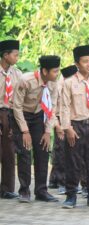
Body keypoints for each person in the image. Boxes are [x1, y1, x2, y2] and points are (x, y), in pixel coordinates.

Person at [11, 55, 60, 203]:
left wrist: (47, 131)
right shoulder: (26, 80)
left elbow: (52, 108)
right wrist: (25, 131)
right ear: (44, 71)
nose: (57, 74)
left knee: (43, 151)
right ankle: (24, 191)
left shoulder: (53, 83)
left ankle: (41, 191)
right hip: (22, 116)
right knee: (25, 153)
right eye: (55, 71)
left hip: (39, 116)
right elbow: (17, 107)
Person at [61, 45, 89, 208]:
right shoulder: (69, 83)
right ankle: (71, 195)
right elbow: (64, 106)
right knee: (73, 161)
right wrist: (67, 127)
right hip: (75, 126)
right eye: (85, 61)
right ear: (77, 63)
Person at [49, 65, 78, 195]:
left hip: (71, 120)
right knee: (61, 152)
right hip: (60, 120)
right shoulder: (59, 87)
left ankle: (54, 180)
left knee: (67, 151)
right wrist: (58, 126)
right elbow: (53, 110)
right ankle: (61, 182)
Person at [0, 39, 22, 199]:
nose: (17, 58)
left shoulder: (17, 73)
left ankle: (7, 188)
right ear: (5, 55)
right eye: (15, 55)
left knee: (9, 151)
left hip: (11, 114)